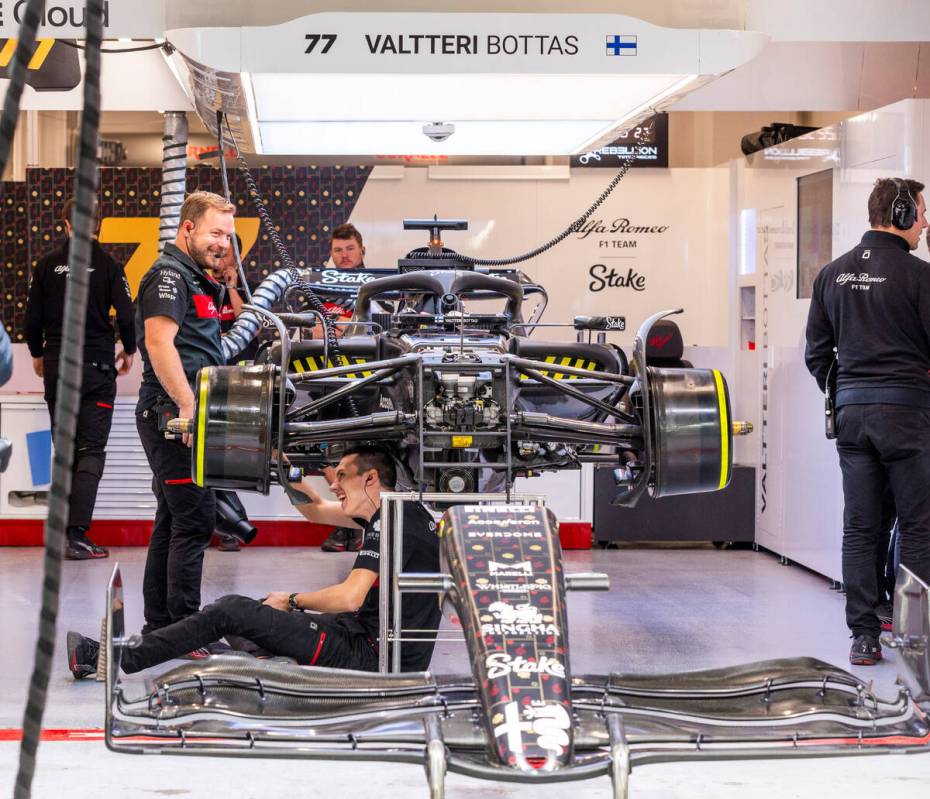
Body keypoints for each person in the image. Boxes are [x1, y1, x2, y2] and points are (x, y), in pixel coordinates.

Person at [66, 446, 441, 676]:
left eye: (342, 475)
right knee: (255, 616)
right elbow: (315, 512)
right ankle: (274, 666)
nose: (334, 484)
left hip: (373, 656)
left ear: (371, 478)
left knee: (231, 609)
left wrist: (293, 600)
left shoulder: (391, 519)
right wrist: (284, 466)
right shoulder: (397, 511)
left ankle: (119, 656)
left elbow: (349, 597)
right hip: (372, 641)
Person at [805, 176, 930, 666]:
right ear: (900, 214)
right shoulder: (921, 277)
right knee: (919, 527)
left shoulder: (831, 275)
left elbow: (817, 353)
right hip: (909, 416)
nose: (924, 222)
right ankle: (914, 636)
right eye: (920, 211)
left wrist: (845, 394)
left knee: (861, 527)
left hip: (853, 419)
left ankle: (863, 637)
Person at [134, 191, 233, 635]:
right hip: (172, 418)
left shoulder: (197, 277)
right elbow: (159, 342)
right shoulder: (169, 275)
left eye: (228, 237)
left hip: (183, 417)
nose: (222, 245)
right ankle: (184, 631)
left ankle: (161, 626)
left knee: (174, 519)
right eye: (216, 233)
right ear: (188, 228)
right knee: (194, 518)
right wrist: (189, 407)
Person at [24, 199, 136, 560]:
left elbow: (31, 321)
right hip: (97, 370)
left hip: (59, 367)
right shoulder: (108, 266)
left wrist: (39, 356)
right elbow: (128, 314)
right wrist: (129, 350)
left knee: (66, 451)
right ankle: (76, 534)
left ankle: (62, 532)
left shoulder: (45, 266)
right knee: (91, 451)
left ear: (67, 226)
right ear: (97, 226)